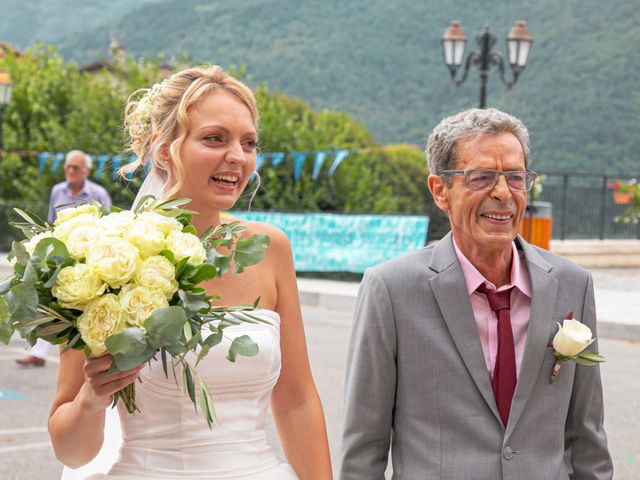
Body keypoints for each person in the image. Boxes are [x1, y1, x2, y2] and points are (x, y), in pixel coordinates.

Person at [48, 66, 332, 479]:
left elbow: (297, 400)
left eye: (248, 142)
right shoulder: (99, 259)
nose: (238, 156)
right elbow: (71, 453)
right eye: (215, 138)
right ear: (164, 149)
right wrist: (93, 396)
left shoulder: (271, 250)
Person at [340, 108, 613, 479]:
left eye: (515, 178)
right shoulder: (390, 289)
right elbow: (363, 448)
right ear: (440, 191)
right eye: (481, 178)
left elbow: (587, 440)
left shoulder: (572, 284)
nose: (502, 193)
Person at [16, 150, 112, 368]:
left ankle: (92, 359)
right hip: (60, 257)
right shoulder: (57, 190)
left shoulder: (98, 193)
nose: (70, 171)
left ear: (86, 170)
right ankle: (40, 354)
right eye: (68, 166)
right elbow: (51, 223)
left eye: (75, 167)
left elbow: (108, 225)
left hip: (89, 259)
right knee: (52, 302)